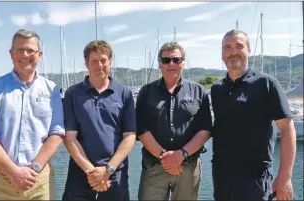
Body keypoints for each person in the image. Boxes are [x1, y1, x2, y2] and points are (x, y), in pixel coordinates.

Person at [0, 29, 65, 200]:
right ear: (11, 53)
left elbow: (57, 132)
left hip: (39, 182)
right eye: (19, 50)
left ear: (39, 54)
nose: (25, 55)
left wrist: (34, 168)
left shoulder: (51, 89)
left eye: (30, 50)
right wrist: (13, 172)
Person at [210, 29, 296, 201]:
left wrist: (285, 177)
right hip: (221, 178)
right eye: (227, 47)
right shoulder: (217, 89)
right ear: (222, 53)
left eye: (239, 46)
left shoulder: (266, 83)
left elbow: (287, 131)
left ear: (249, 50)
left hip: (254, 180)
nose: (233, 51)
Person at [136, 41, 212, 200]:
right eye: (166, 60)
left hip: (189, 166)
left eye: (176, 59)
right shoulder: (146, 92)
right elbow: (141, 129)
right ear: (160, 64)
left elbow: (205, 129)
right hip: (154, 166)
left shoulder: (199, 91)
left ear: (183, 62)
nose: (171, 64)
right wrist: (165, 157)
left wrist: (181, 155)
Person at [62, 40, 136, 201]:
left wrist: (108, 169)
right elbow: (70, 137)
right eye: (94, 61)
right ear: (86, 64)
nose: (99, 65)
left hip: (115, 172)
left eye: (103, 60)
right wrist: (91, 172)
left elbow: (130, 136)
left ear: (110, 62)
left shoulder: (124, 93)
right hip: (81, 172)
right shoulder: (73, 94)